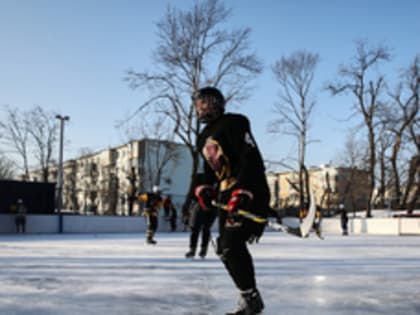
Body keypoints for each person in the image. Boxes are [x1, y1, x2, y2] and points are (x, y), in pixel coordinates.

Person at [193, 86, 269, 315]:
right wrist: (204, 187)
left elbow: (250, 157)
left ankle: (251, 299)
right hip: (227, 194)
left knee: (232, 244)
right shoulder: (202, 137)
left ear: (217, 103)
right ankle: (249, 296)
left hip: (250, 187)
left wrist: (244, 190)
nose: (200, 108)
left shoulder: (235, 122)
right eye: (198, 104)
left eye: (204, 102)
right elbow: (209, 169)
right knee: (225, 249)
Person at [184, 173, 217, 259]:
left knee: (195, 229)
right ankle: (203, 250)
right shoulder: (216, 177)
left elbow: (191, 194)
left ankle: (192, 250)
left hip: (198, 207)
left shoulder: (198, 178)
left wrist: (186, 208)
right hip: (212, 207)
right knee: (206, 229)